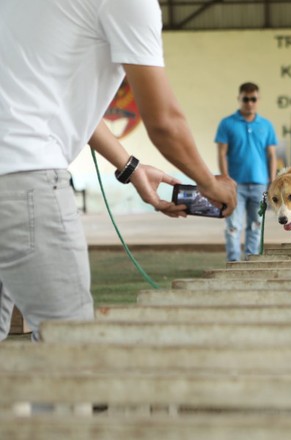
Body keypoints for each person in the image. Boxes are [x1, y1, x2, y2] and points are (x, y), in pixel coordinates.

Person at [0, 0, 237, 341]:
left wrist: (130, 167)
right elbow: (165, 123)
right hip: (24, 174)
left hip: (14, 171)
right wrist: (210, 184)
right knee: (67, 344)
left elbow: (55, 101)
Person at [215, 82, 278, 262]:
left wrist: (272, 180)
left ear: (258, 100)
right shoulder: (227, 124)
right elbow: (221, 153)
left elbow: (271, 155)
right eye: (246, 99)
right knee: (233, 225)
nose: (249, 103)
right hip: (235, 185)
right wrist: (225, 179)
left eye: (253, 99)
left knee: (256, 225)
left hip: (260, 185)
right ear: (239, 99)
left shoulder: (266, 125)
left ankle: (251, 261)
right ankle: (233, 262)